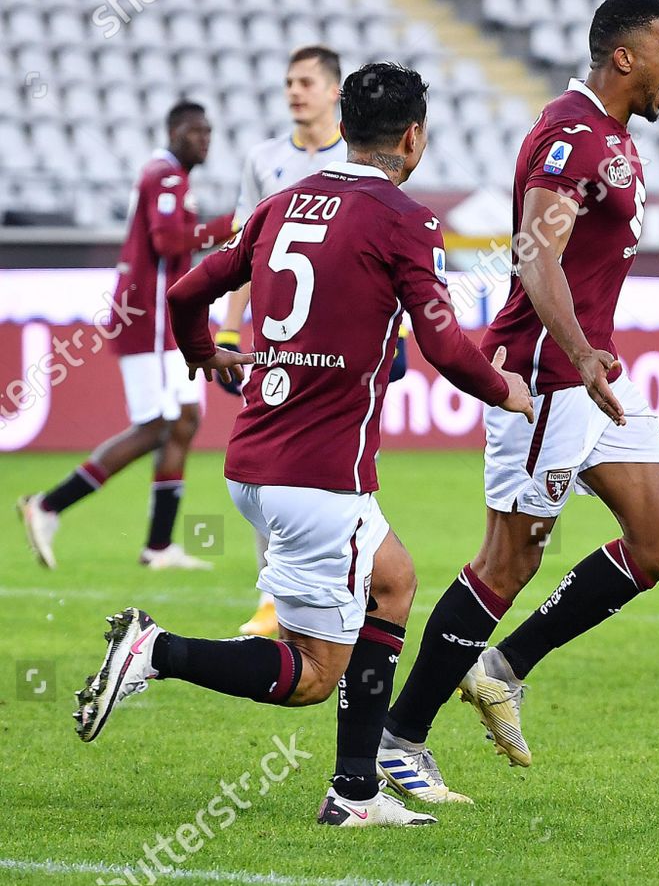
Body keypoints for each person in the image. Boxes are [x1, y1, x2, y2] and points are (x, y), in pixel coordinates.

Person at [70, 62, 534, 826]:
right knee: (315, 672)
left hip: (257, 458)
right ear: (413, 136)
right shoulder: (406, 220)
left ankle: (355, 792)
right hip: (320, 478)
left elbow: (187, 290)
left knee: (394, 581)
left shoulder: (284, 203)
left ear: (344, 125)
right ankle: (157, 650)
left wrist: (200, 353)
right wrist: (504, 387)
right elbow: (447, 346)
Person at [375, 0, 659, 799]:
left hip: (592, 375)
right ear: (626, 57)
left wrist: (595, 357)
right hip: (546, 376)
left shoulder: (612, 136)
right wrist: (581, 353)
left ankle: (502, 668)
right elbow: (535, 258)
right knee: (508, 559)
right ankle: (397, 737)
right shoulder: (570, 135)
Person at [17, 103, 234, 571]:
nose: (205, 139)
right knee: (156, 424)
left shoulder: (173, 177)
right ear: (174, 131)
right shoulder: (164, 175)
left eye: (209, 131)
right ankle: (48, 505)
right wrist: (229, 225)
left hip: (165, 321)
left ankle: (158, 547)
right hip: (147, 318)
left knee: (186, 419)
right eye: (196, 130)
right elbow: (169, 243)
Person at [219, 44, 358, 638]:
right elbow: (242, 254)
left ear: (333, 92)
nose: (295, 92)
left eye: (306, 82)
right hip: (276, 339)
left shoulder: (358, 157)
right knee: (267, 458)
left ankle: (349, 580)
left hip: (343, 338)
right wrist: (228, 325)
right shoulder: (264, 160)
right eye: (289, 82)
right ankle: (274, 600)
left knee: (345, 458)